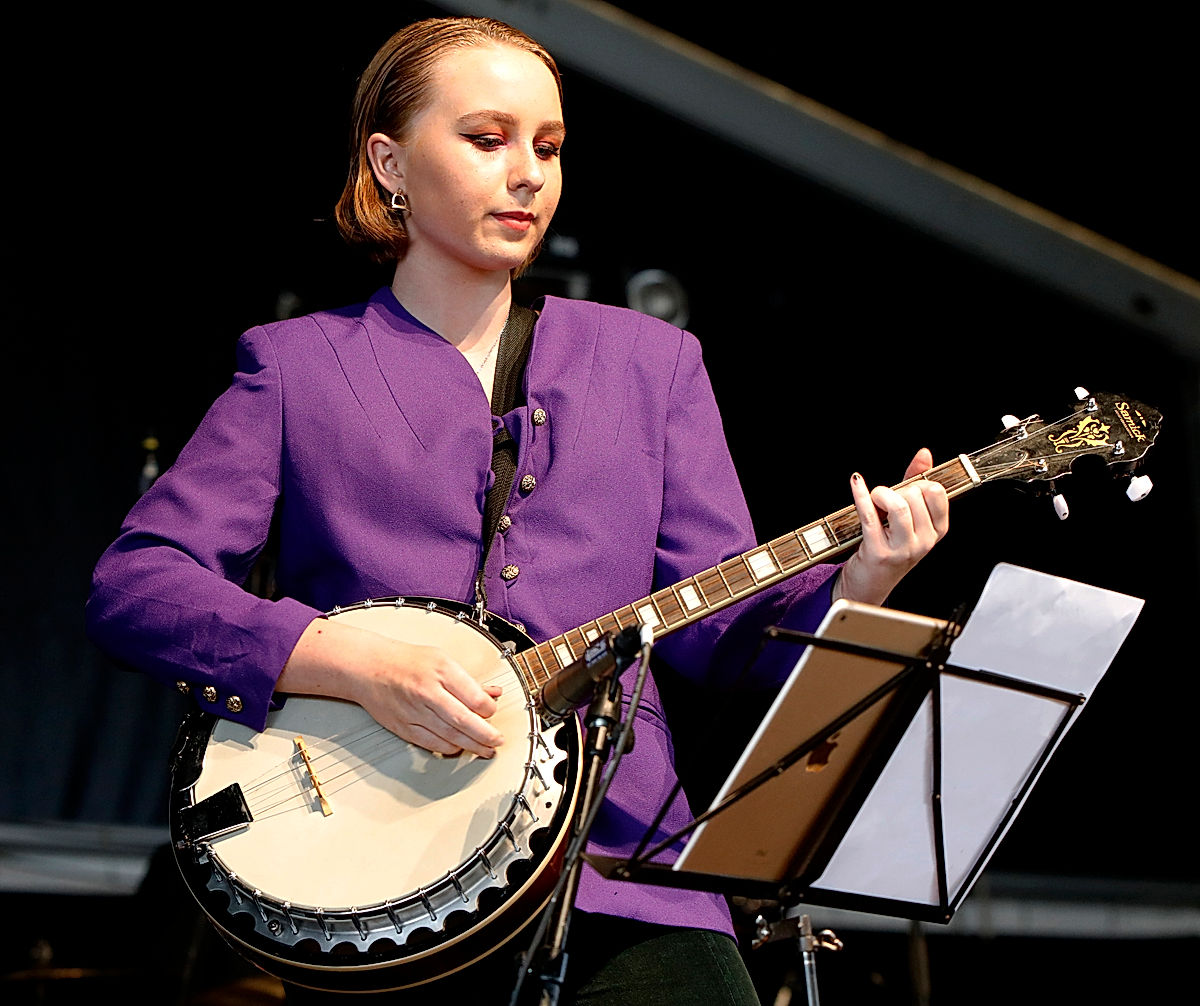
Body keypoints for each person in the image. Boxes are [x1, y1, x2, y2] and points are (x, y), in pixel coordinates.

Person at [85, 16, 949, 1005]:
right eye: (487, 139)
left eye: (549, 147)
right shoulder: (297, 366)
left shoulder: (653, 364)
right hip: (377, 881)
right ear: (390, 162)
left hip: (623, 872)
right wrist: (348, 660)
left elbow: (725, 645)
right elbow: (136, 588)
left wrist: (863, 583)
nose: (529, 174)